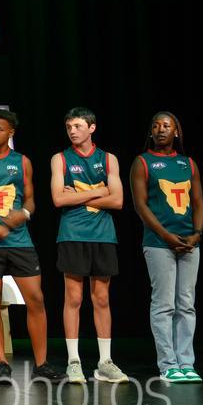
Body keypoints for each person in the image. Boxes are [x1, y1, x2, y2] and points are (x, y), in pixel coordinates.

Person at [0, 109, 64, 384]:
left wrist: (24, 214)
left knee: (36, 299)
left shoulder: (22, 162)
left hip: (20, 241)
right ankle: (2, 364)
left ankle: (41, 364)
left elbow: (31, 200)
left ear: (11, 132)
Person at [50, 107, 126, 384]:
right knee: (73, 298)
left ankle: (105, 362)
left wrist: (79, 196)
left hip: (103, 235)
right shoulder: (60, 159)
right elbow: (58, 199)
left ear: (92, 128)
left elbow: (117, 201)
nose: (72, 130)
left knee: (101, 298)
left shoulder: (108, 159)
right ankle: (74, 361)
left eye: (78, 126)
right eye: (69, 126)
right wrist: (99, 191)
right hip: (72, 234)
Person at [131, 111, 203, 383]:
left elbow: (198, 203)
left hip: (189, 243)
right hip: (159, 243)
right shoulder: (143, 162)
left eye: (166, 126)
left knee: (186, 304)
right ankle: (167, 365)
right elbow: (141, 206)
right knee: (164, 304)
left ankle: (186, 363)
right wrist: (165, 235)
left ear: (177, 132)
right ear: (150, 132)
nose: (160, 130)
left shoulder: (188, 163)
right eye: (156, 126)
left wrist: (196, 234)